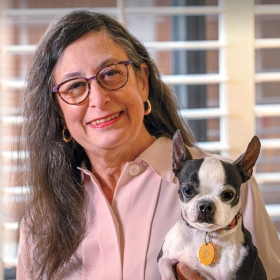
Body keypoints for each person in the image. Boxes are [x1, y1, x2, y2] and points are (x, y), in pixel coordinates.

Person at [16, 10, 280, 280]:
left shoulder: (230, 185)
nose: (98, 98)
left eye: (110, 73)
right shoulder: (42, 218)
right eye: (74, 86)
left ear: (142, 81)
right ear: (59, 111)